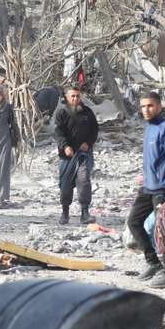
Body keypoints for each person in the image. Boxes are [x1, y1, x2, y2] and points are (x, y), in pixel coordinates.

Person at [127, 92, 165, 289]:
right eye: (143, 106)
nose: (146, 110)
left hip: (163, 188)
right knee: (134, 222)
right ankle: (153, 263)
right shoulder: (149, 127)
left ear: (159, 106)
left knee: (163, 231)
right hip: (148, 187)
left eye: (150, 106)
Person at [53, 86, 98, 225]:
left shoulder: (87, 112)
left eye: (78, 96)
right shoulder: (61, 112)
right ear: (66, 97)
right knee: (65, 185)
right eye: (72, 96)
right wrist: (65, 146)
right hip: (67, 156)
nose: (75, 99)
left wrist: (88, 143)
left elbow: (94, 130)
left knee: (84, 181)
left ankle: (85, 213)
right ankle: (65, 212)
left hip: (83, 154)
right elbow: (58, 132)